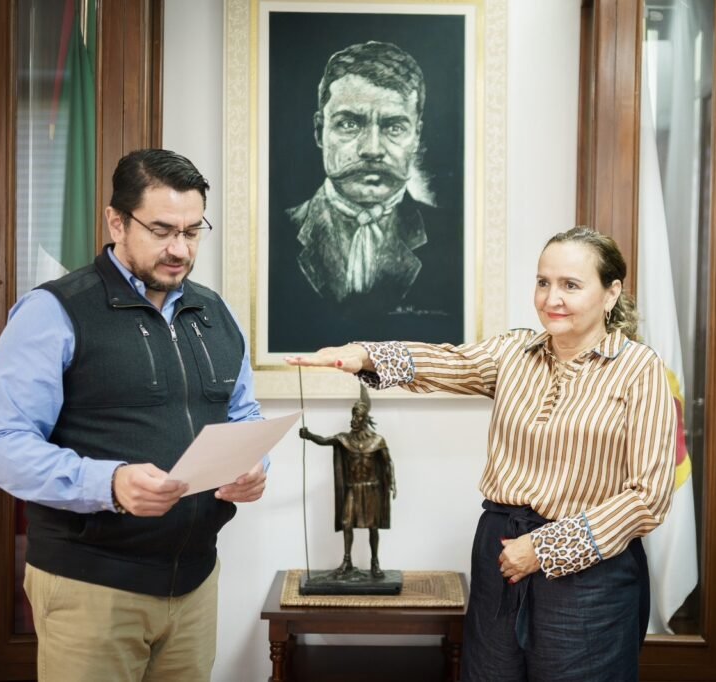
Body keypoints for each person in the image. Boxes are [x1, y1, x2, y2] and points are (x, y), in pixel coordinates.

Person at [287, 227, 677, 681]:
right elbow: (449, 362)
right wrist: (364, 355)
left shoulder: (639, 369)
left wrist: (545, 548)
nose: (551, 298)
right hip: (501, 553)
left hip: (589, 573)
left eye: (570, 285)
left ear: (611, 293)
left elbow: (648, 497)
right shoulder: (514, 351)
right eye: (543, 282)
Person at [0, 148, 267, 681]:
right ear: (117, 222)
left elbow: (243, 414)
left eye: (192, 231)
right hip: (91, 588)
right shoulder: (52, 312)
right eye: (162, 230)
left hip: (195, 584)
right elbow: (0, 446)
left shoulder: (216, 313)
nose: (179, 249)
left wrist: (253, 466)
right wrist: (109, 484)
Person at [268, 40, 464, 352]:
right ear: (319, 131)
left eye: (394, 127)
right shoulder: (273, 233)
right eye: (349, 124)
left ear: (416, 137)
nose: (372, 149)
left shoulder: (456, 238)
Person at [299, 386, 396, 579]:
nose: (353, 420)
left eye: (358, 416)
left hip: (371, 489)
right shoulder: (344, 439)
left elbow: (388, 462)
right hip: (353, 488)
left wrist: (392, 482)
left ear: (365, 419)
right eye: (353, 416)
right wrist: (309, 436)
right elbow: (324, 440)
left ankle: (375, 562)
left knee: (373, 526)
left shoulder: (377, 441)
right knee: (347, 522)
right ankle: (347, 561)